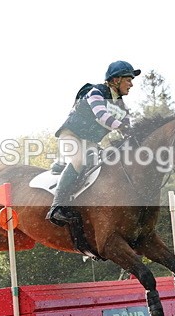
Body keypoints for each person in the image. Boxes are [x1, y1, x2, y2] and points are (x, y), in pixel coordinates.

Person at [46, 60, 141, 226]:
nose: (131, 84)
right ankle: (56, 207)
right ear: (116, 80)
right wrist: (124, 128)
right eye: (128, 79)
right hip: (71, 135)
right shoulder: (96, 92)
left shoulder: (122, 107)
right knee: (79, 160)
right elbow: (101, 116)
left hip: (90, 142)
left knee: (101, 165)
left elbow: (128, 128)